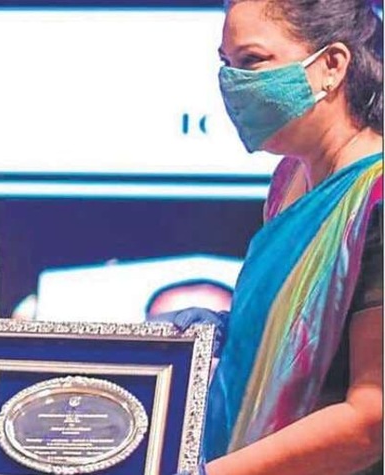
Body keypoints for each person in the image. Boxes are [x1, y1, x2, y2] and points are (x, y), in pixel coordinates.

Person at [172, 0, 383, 474]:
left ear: (332, 65)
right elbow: (306, 333)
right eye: (226, 64)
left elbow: (373, 419)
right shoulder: (291, 179)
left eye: (251, 62)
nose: (233, 84)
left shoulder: (377, 199)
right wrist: (231, 332)